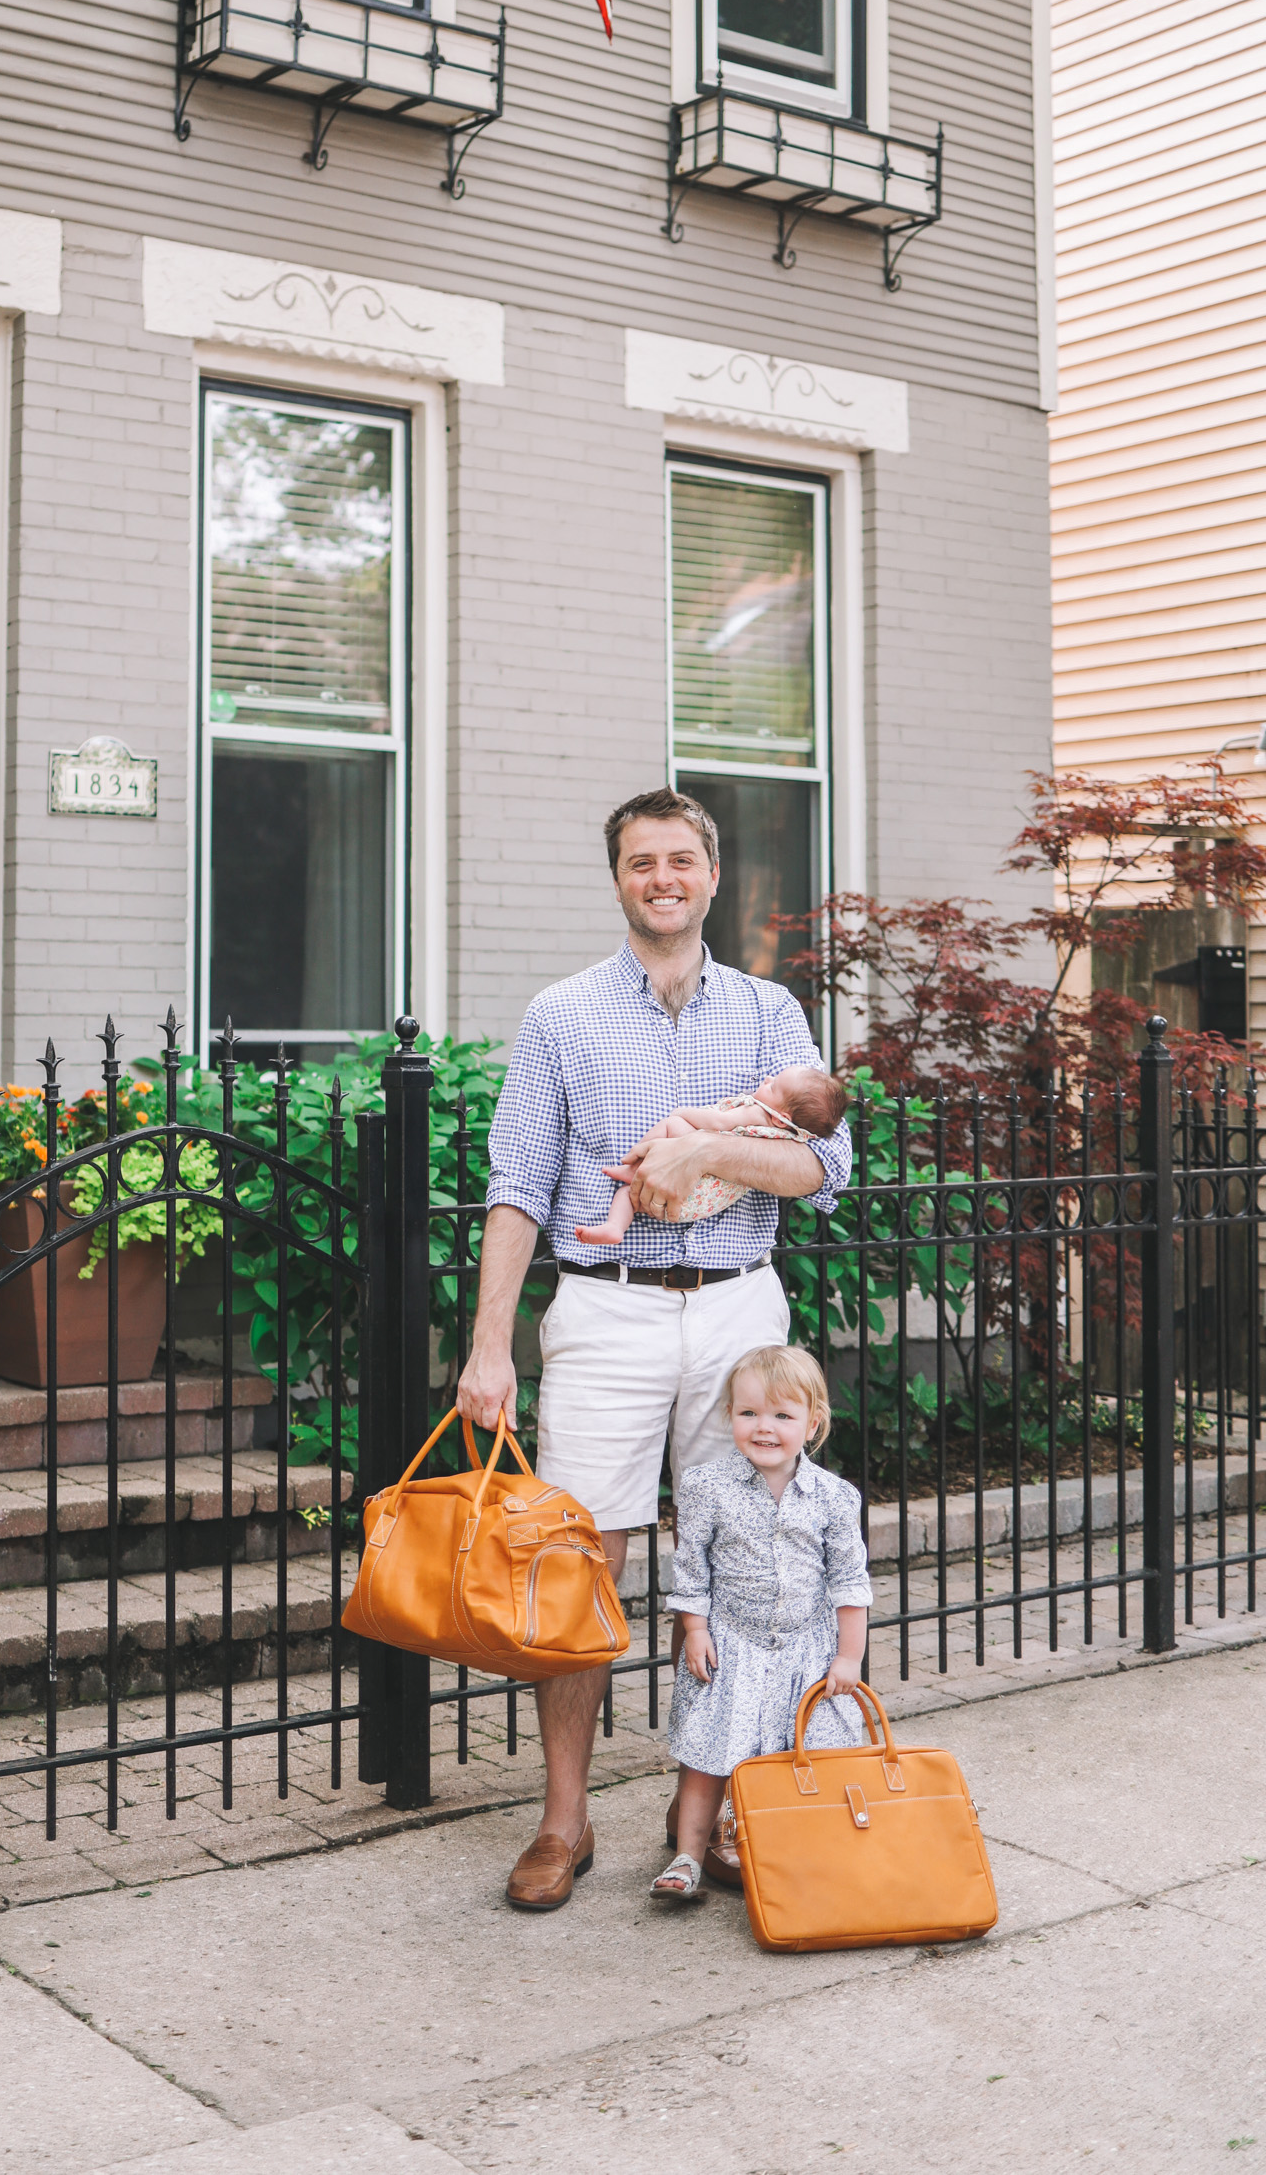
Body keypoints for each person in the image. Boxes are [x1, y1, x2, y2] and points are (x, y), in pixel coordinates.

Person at [457, 788, 852, 1913]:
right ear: (619, 877)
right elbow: (518, 1184)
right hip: (606, 1311)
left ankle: (726, 1813)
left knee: (752, 1569)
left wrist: (706, 1155)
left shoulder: (773, 1014)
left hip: (737, 1312)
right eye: (642, 862)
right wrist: (492, 1345)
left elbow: (829, 1170)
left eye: (683, 860)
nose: (663, 878)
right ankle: (563, 1819)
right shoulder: (562, 1015)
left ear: (714, 876)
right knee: (579, 1570)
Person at [653, 1344, 873, 1903]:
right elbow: (692, 1569)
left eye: (782, 1415)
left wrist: (848, 1657)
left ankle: (806, 1844)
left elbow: (850, 1581)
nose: (764, 1427)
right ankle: (688, 1855)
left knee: (812, 1750)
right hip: (734, 1644)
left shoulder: (832, 1497)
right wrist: (696, 1631)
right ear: (731, 1417)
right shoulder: (707, 1487)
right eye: (749, 1413)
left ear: (812, 1423)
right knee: (709, 1755)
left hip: (807, 1649)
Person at [574, 1066, 850, 1247]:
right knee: (628, 1196)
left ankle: (631, 1170)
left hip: (696, 1183)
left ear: (783, 1118)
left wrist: (682, 1113)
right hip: (702, 1200)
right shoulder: (796, 1134)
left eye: (774, 1086)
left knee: (670, 1129)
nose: (767, 1079)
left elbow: (717, 1122)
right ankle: (614, 1227)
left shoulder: (757, 1113)